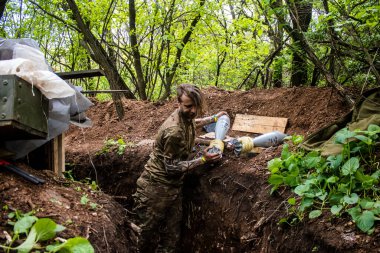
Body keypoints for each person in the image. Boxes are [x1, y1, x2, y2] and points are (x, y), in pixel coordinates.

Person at [133, 84, 228, 253]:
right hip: (155, 190)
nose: (193, 111)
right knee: (142, 237)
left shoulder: (185, 117)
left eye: (196, 106)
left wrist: (213, 118)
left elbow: (192, 123)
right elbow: (171, 167)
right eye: (189, 106)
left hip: (173, 189)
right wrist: (203, 159)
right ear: (179, 103)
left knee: (171, 238)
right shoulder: (174, 132)